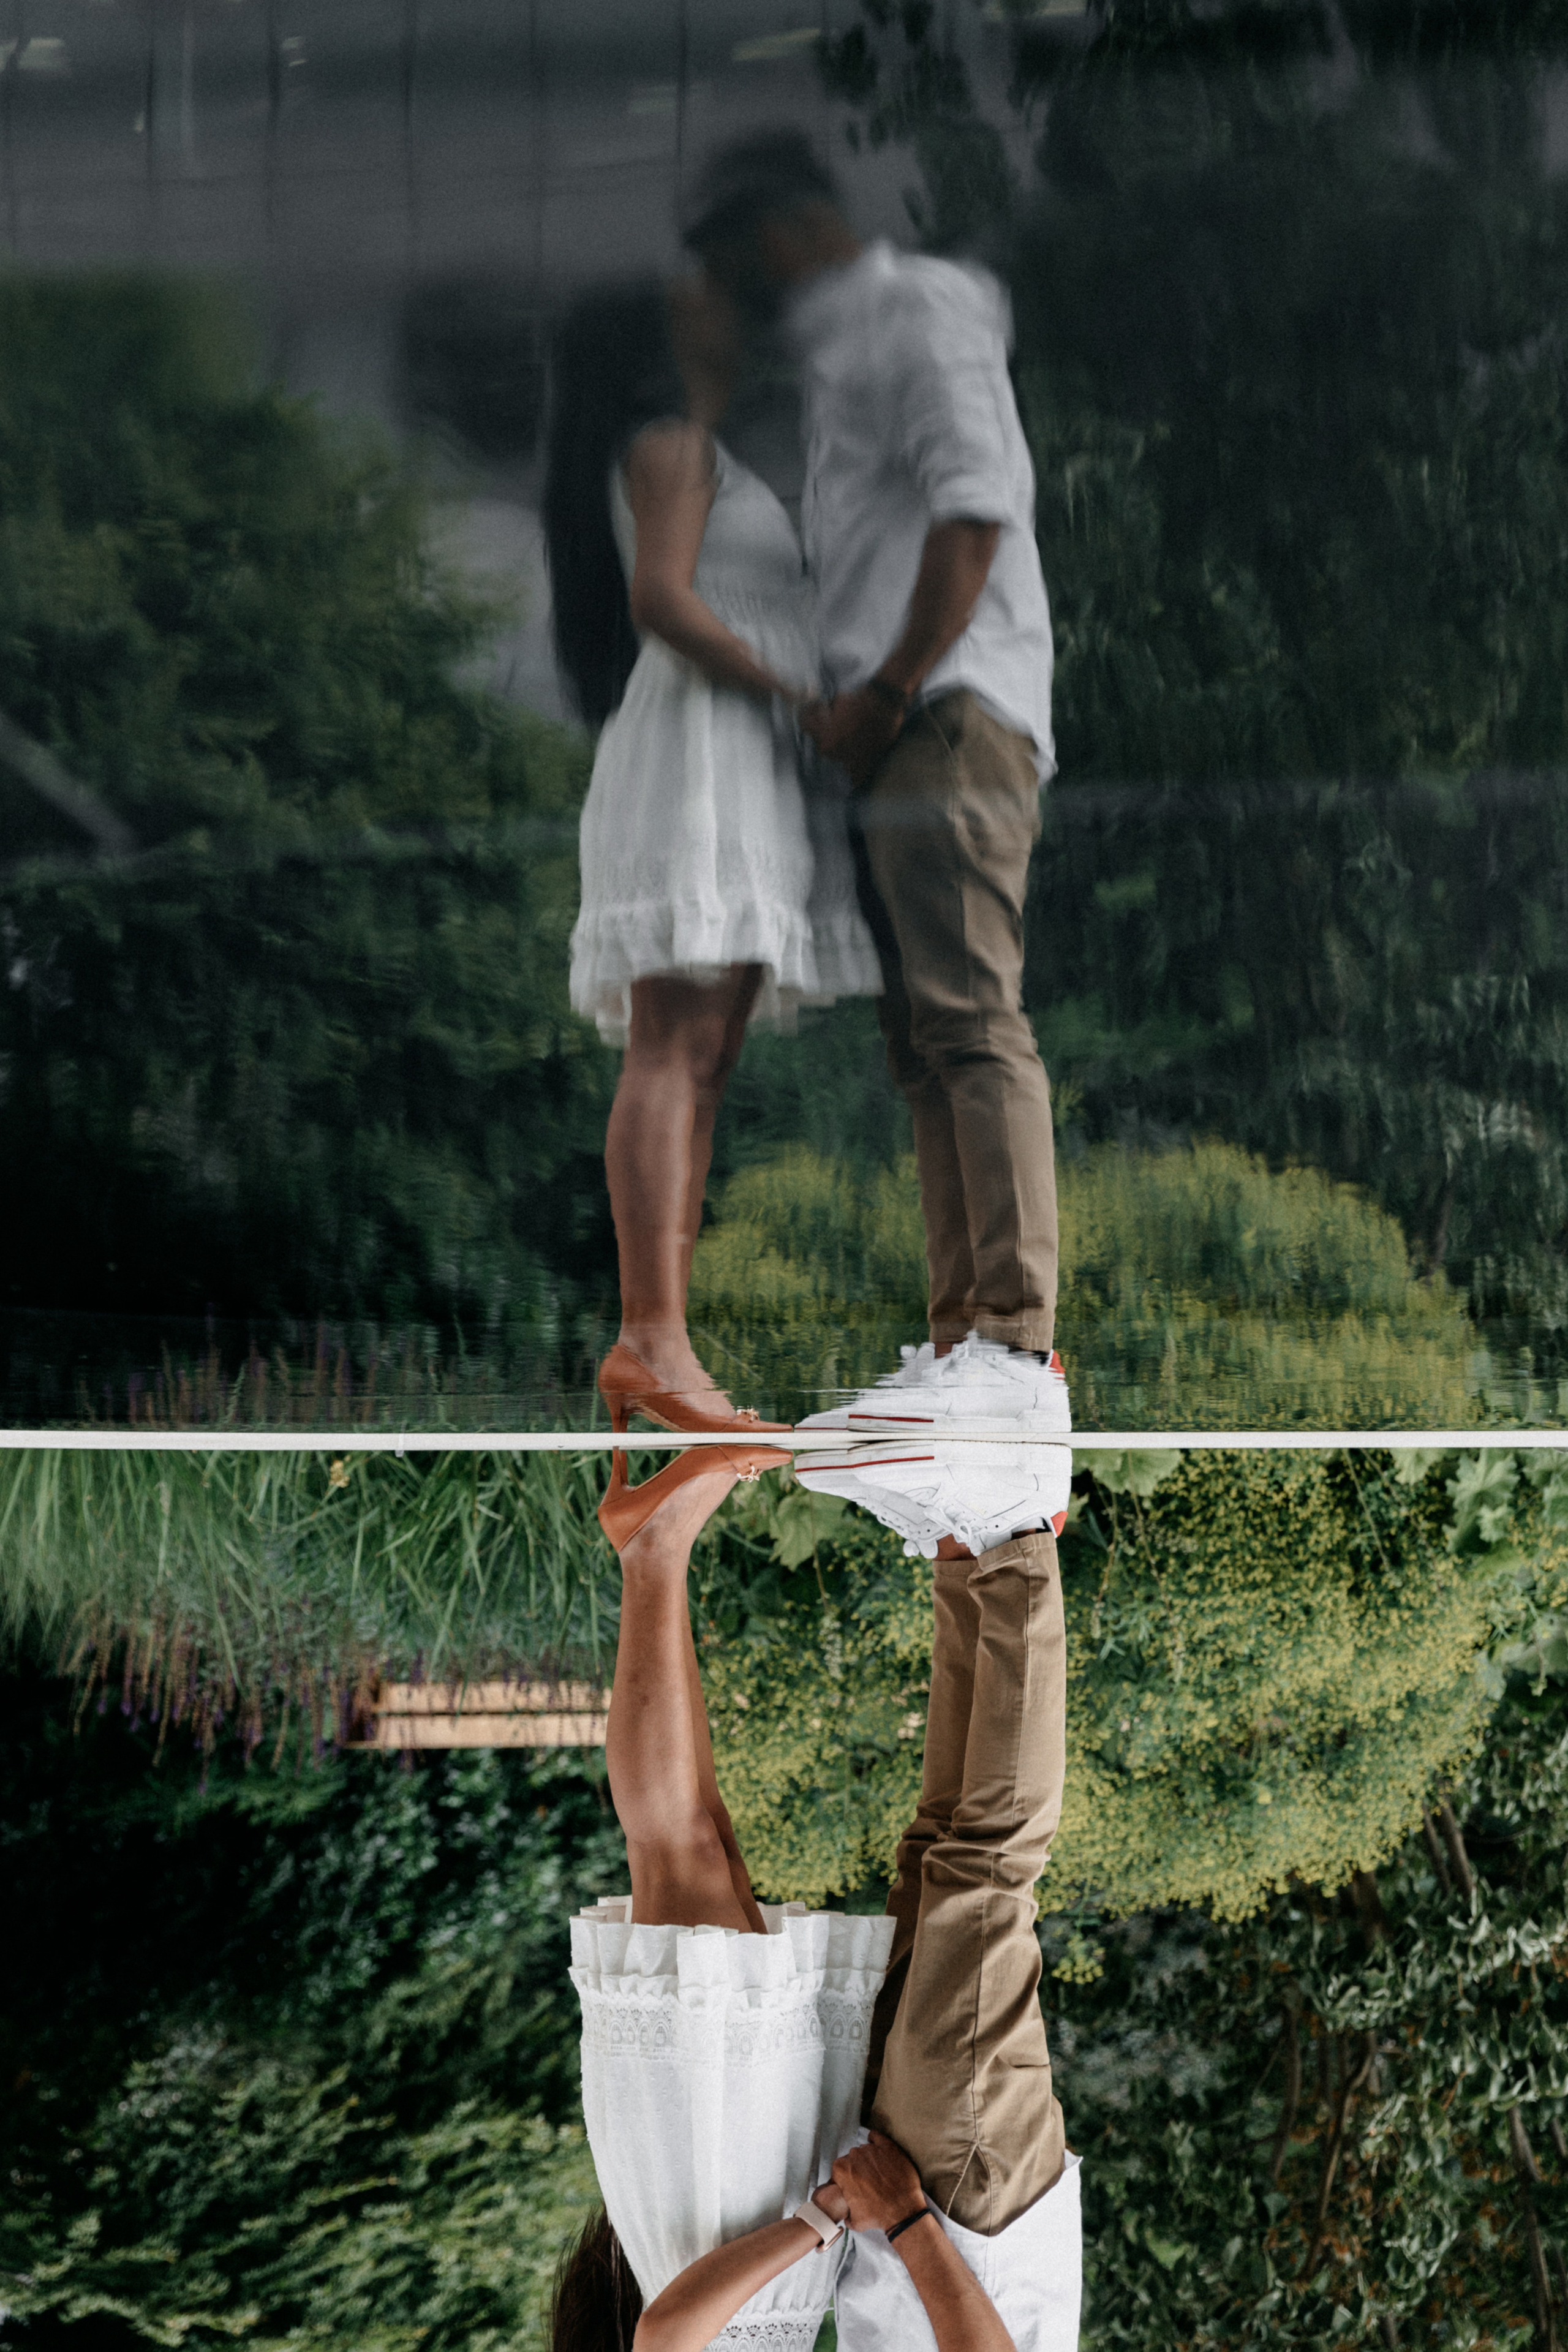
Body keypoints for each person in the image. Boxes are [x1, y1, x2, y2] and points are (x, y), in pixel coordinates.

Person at [682, 132, 1070, 1442]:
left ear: (782, 229)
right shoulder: (846, 347)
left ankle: (1011, 1351)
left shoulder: (918, 311)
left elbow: (975, 510)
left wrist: (892, 687)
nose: (739, 290)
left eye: (737, 259)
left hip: (945, 713)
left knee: (968, 1023)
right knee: (923, 1046)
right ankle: (964, 1343)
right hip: (893, 727)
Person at [543, 274, 880, 1440]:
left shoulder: (705, 447)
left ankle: (665, 1342)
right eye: (702, 297)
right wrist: (794, 694)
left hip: (738, 757)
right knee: (675, 1046)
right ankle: (649, 1340)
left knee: (707, 1056)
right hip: (703, 751)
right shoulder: (672, 444)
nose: (732, 307)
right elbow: (664, 600)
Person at [550, 1438, 896, 2352]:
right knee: (716, 1853)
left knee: (678, 1856)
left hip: (710, 2192)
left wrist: (819, 2224)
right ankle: (667, 1539)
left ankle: (652, 1547)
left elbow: (665, 2335)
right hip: (746, 2211)